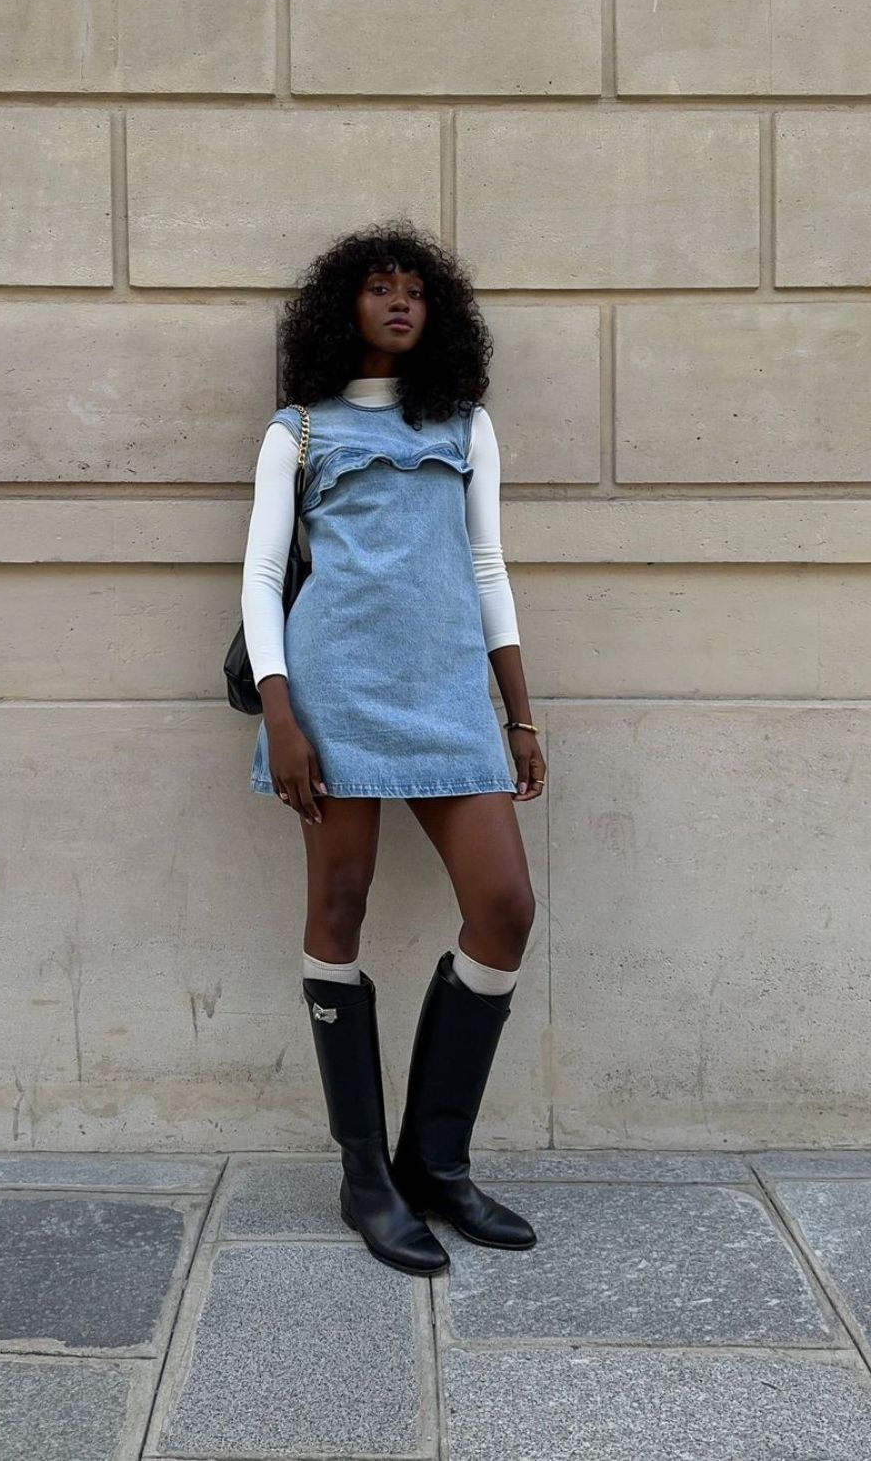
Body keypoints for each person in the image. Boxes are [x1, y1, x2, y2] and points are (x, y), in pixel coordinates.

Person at [241, 219, 547, 1278]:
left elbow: (487, 568)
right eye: (379, 288)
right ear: (345, 309)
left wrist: (517, 714)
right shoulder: (300, 431)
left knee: (504, 907)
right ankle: (365, 1176)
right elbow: (261, 575)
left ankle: (438, 1163)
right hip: (333, 697)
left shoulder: (464, 426)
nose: (399, 302)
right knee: (338, 910)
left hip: (449, 697)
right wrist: (281, 716)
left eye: (415, 289)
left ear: (439, 314)